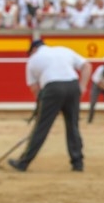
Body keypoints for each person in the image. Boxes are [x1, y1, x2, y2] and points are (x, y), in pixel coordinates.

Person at [8, 40, 91, 172]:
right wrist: (82, 87)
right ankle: (78, 163)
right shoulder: (64, 49)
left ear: (34, 49)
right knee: (73, 125)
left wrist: (46, 106)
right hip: (73, 86)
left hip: (52, 88)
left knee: (41, 127)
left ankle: (23, 163)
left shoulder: (33, 59)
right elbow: (87, 66)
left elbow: (35, 88)